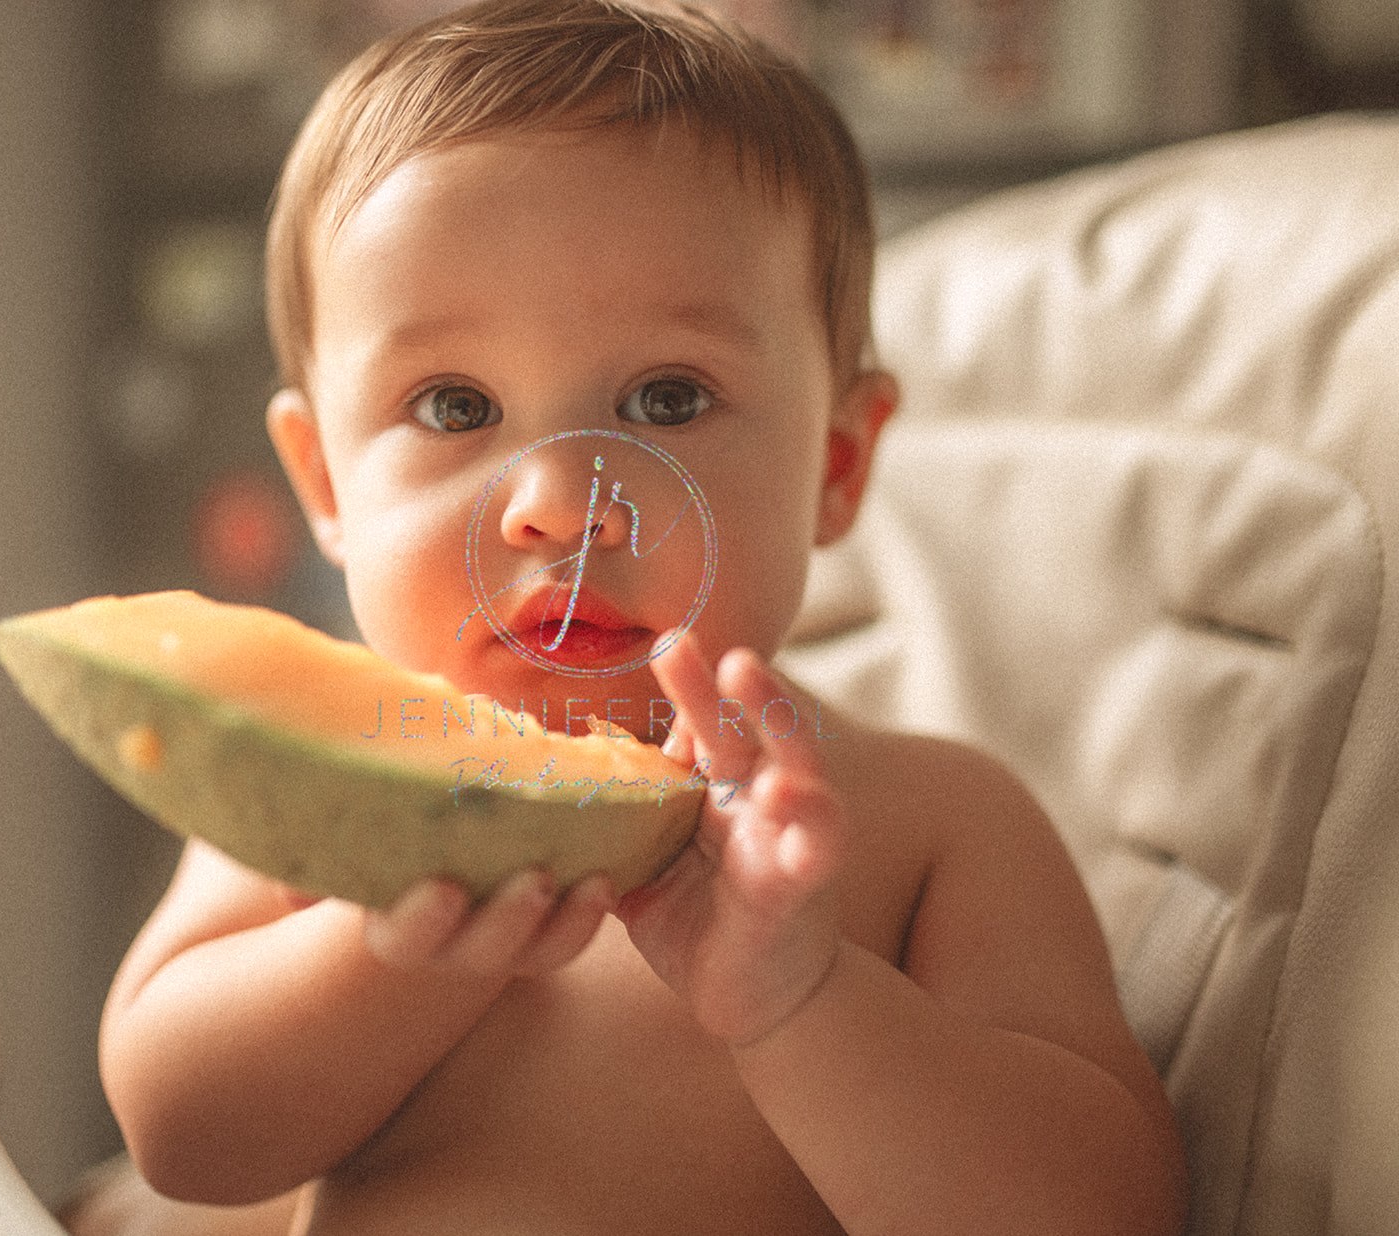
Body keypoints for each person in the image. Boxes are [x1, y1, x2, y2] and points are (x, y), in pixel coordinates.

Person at [93, 2, 1188, 1233]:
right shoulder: (315, 791)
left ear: (834, 464)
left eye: (668, 397)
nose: (563, 502)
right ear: (327, 486)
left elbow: (1101, 1211)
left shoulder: (928, 826)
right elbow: (179, 1137)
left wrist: (801, 1000)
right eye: (454, 407)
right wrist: (383, 953)